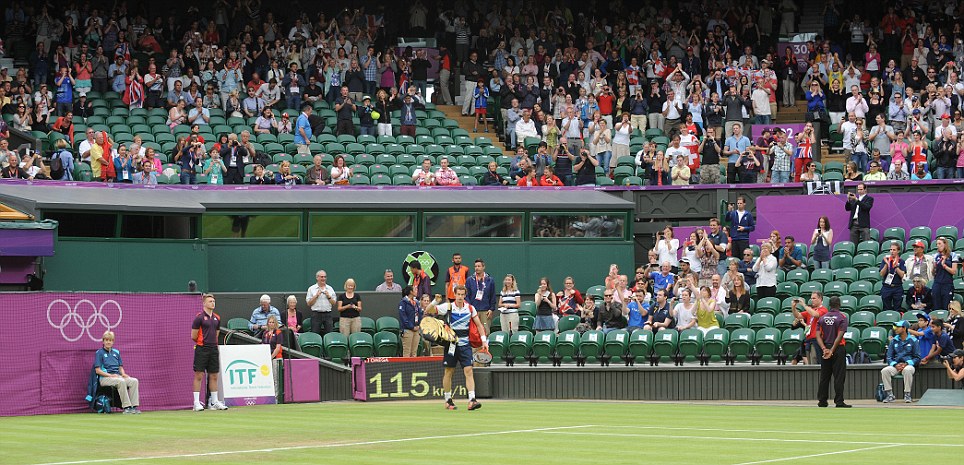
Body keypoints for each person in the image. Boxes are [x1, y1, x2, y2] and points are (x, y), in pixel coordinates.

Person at [426, 286, 487, 410]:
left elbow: (479, 325)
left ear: (465, 295)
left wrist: (484, 341)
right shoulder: (447, 307)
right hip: (451, 344)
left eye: (462, 294)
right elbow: (428, 310)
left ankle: (472, 400)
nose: (460, 297)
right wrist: (435, 301)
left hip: (465, 345)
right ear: (454, 294)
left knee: (469, 370)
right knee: (449, 371)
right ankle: (448, 400)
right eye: (458, 294)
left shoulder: (470, 308)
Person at [192, 294, 228, 411]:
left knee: (214, 375)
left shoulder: (217, 318)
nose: (213, 303)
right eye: (210, 301)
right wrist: (203, 342)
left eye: (213, 301)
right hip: (202, 349)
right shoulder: (199, 318)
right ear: (204, 303)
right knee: (199, 375)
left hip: (213, 349)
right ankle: (196, 403)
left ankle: (214, 401)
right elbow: (194, 335)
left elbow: (216, 334)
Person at [93, 330, 141, 414]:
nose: (108, 342)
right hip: (105, 378)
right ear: (103, 341)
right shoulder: (99, 353)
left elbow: (120, 367)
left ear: (113, 342)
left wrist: (123, 374)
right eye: (107, 340)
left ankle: (134, 407)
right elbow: (98, 371)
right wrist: (110, 375)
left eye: (110, 340)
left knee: (134, 381)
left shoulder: (116, 352)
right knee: (121, 381)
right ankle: (126, 407)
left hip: (117, 376)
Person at [815, 296, 850, 408]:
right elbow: (840, 336)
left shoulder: (822, 318)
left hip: (825, 348)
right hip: (837, 348)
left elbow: (818, 336)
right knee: (839, 376)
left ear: (829, 305)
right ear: (839, 305)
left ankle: (822, 401)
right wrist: (832, 350)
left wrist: (824, 349)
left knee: (824, 376)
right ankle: (839, 401)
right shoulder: (842, 317)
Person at [880, 320, 920, 403]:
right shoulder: (893, 341)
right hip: (896, 365)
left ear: (904, 328)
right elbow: (889, 357)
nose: (896, 329)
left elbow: (917, 357)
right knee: (885, 371)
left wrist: (907, 363)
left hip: (908, 365)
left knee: (908, 370)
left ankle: (907, 394)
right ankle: (890, 395)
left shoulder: (913, 340)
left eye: (898, 327)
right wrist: (895, 365)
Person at [792, 291, 829, 365]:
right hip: (809, 339)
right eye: (811, 298)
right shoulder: (811, 310)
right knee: (809, 363)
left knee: (815, 360)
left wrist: (804, 305)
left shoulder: (824, 310)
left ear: (820, 299)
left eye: (814, 298)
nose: (812, 300)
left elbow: (816, 315)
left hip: (817, 339)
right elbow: (798, 316)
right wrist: (793, 307)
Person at [465, 259, 497, 332]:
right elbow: (467, 295)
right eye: (475, 266)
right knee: (473, 332)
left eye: (479, 266)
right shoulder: (470, 280)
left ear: (483, 267)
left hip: (485, 310)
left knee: (486, 331)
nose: (477, 268)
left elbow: (492, 295)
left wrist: (491, 309)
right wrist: (470, 308)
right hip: (473, 310)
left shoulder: (489, 280)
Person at [932, 238, 960, 311]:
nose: (937, 246)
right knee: (936, 305)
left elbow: (953, 271)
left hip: (947, 283)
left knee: (946, 305)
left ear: (945, 244)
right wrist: (934, 267)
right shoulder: (936, 256)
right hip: (937, 283)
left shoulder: (952, 255)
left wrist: (944, 265)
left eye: (939, 244)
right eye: (937, 244)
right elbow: (933, 273)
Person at [306, 270, 337, 335]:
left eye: (325, 277)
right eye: (321, 277)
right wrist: (316, 296)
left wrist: (329, 296)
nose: (323, 279)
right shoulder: (311, 289)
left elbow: (334, 303)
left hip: (328, 314)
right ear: (317, 278)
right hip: (316, 315)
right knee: (315, 334)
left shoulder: (330, 288)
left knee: (329, 334)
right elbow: (309, 303)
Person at [880, 242, 907, 312]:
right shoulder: (885, 260)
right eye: (891, 249)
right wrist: (887, 264)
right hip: (886, 287)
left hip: (897, 287)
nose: (892, 251)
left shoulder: (901, 261)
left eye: (894, 250)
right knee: (886, 308)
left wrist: (896, 267)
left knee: (897, 308)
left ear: (898, 251)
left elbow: (902, 275)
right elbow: (881, 274)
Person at [398, 285, 421, 357]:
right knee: (407, 352)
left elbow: (419, 314)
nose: (417, 291)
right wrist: (411, 327)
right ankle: (406, 368)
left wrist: (418, 325)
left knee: (414, 352)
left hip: (417, 330)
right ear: (411, 292)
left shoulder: (416, 302)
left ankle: (414, 368)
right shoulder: (403, 303)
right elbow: (403, 317)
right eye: (415, 289)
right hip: (407, 330)